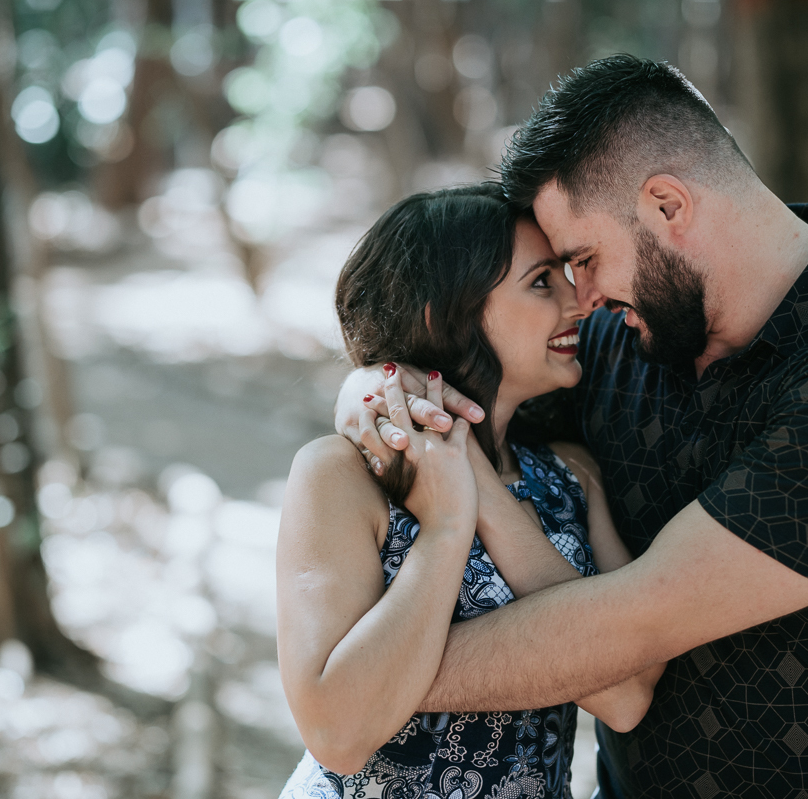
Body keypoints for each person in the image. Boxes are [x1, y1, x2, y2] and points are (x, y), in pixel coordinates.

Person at [336, 55, 808, 798]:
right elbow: (472, 396)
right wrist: (376, 381)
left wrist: (360, 693)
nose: (579, 298)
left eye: (583, 259)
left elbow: (628, 628)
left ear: (667, 204)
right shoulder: (627, 332)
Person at [276, 183, 665, 799]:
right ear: (443, 315)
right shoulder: (342, 475)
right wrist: (447, 526)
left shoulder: (572, 476)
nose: (577, 301)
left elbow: (625, 694)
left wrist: (477, 486)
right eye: (542, 282)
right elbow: (337, 734)